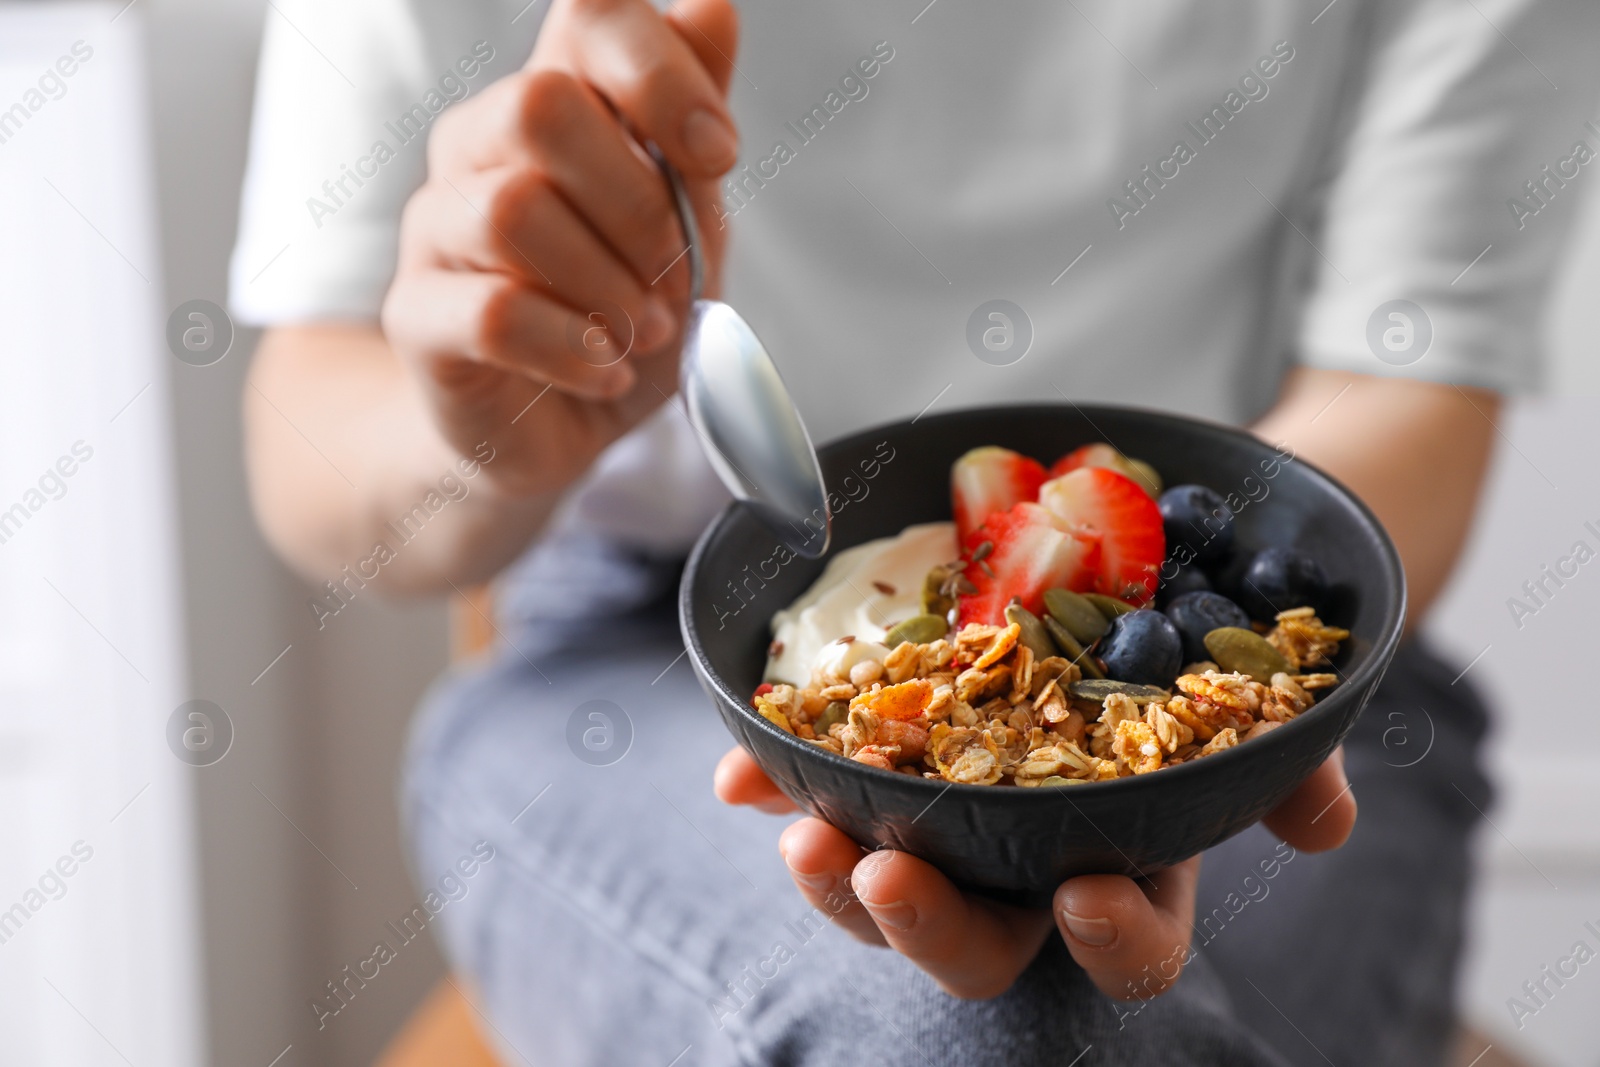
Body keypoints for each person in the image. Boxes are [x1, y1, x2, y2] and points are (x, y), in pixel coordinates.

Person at [231, 0, 1599, 1061]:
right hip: (639, 651)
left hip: (1264, 670)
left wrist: (1196, 744)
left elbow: (1397, 397)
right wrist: (483, 434)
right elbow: (315, 452)